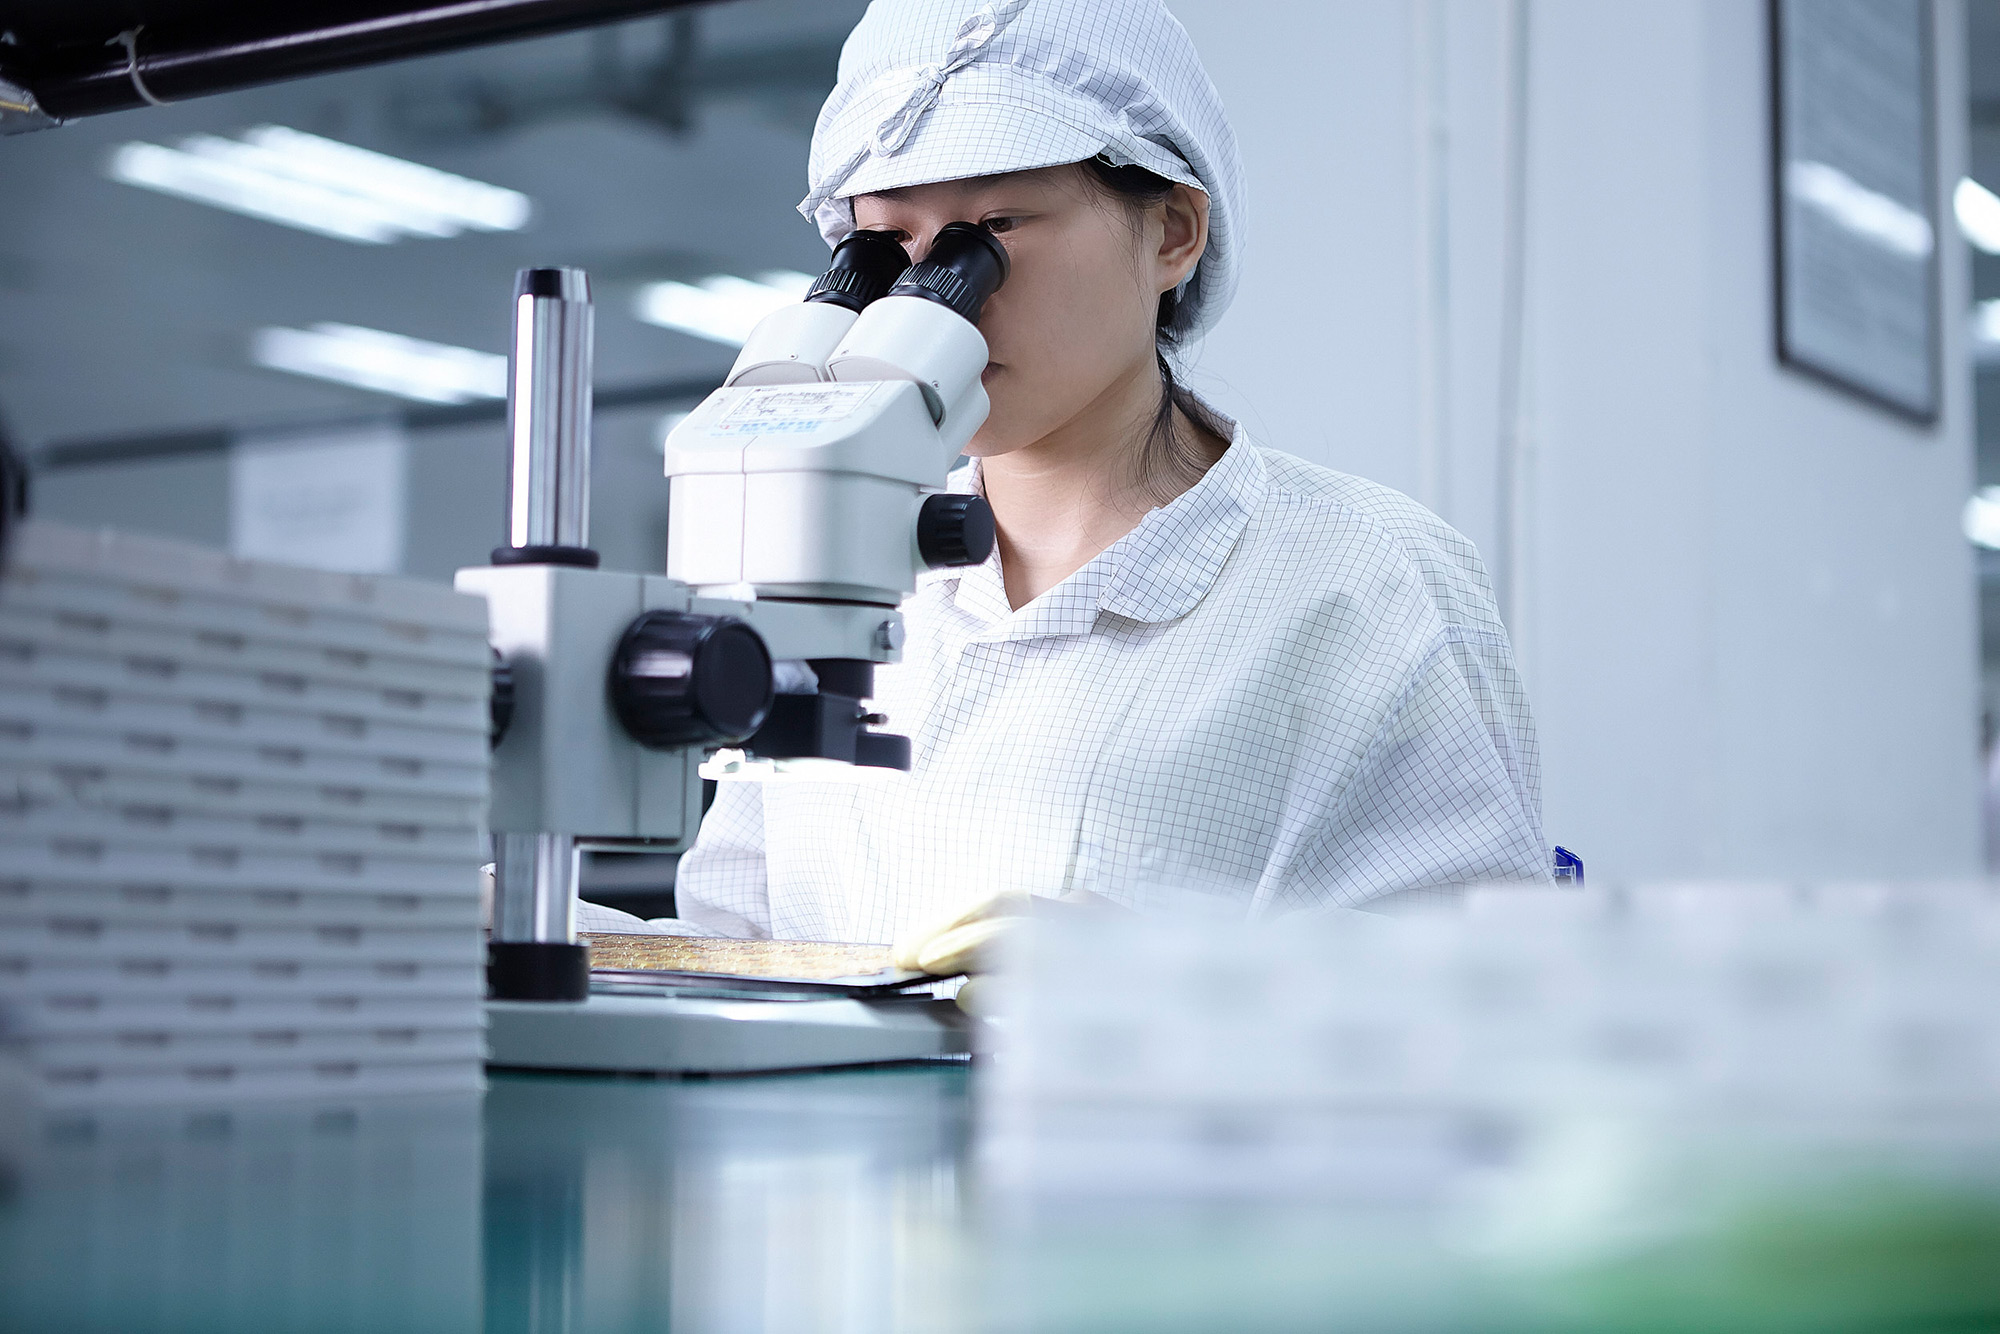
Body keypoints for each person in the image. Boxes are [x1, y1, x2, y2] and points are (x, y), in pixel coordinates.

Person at [579, 0, 1550, 967]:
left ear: (1172, 231)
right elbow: (741, 950)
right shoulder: (827, 569)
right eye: (883, 247)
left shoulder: (1367, 578)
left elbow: (1476, 1000)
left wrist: (1155, 985)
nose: (935, 292)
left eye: (991, 228)